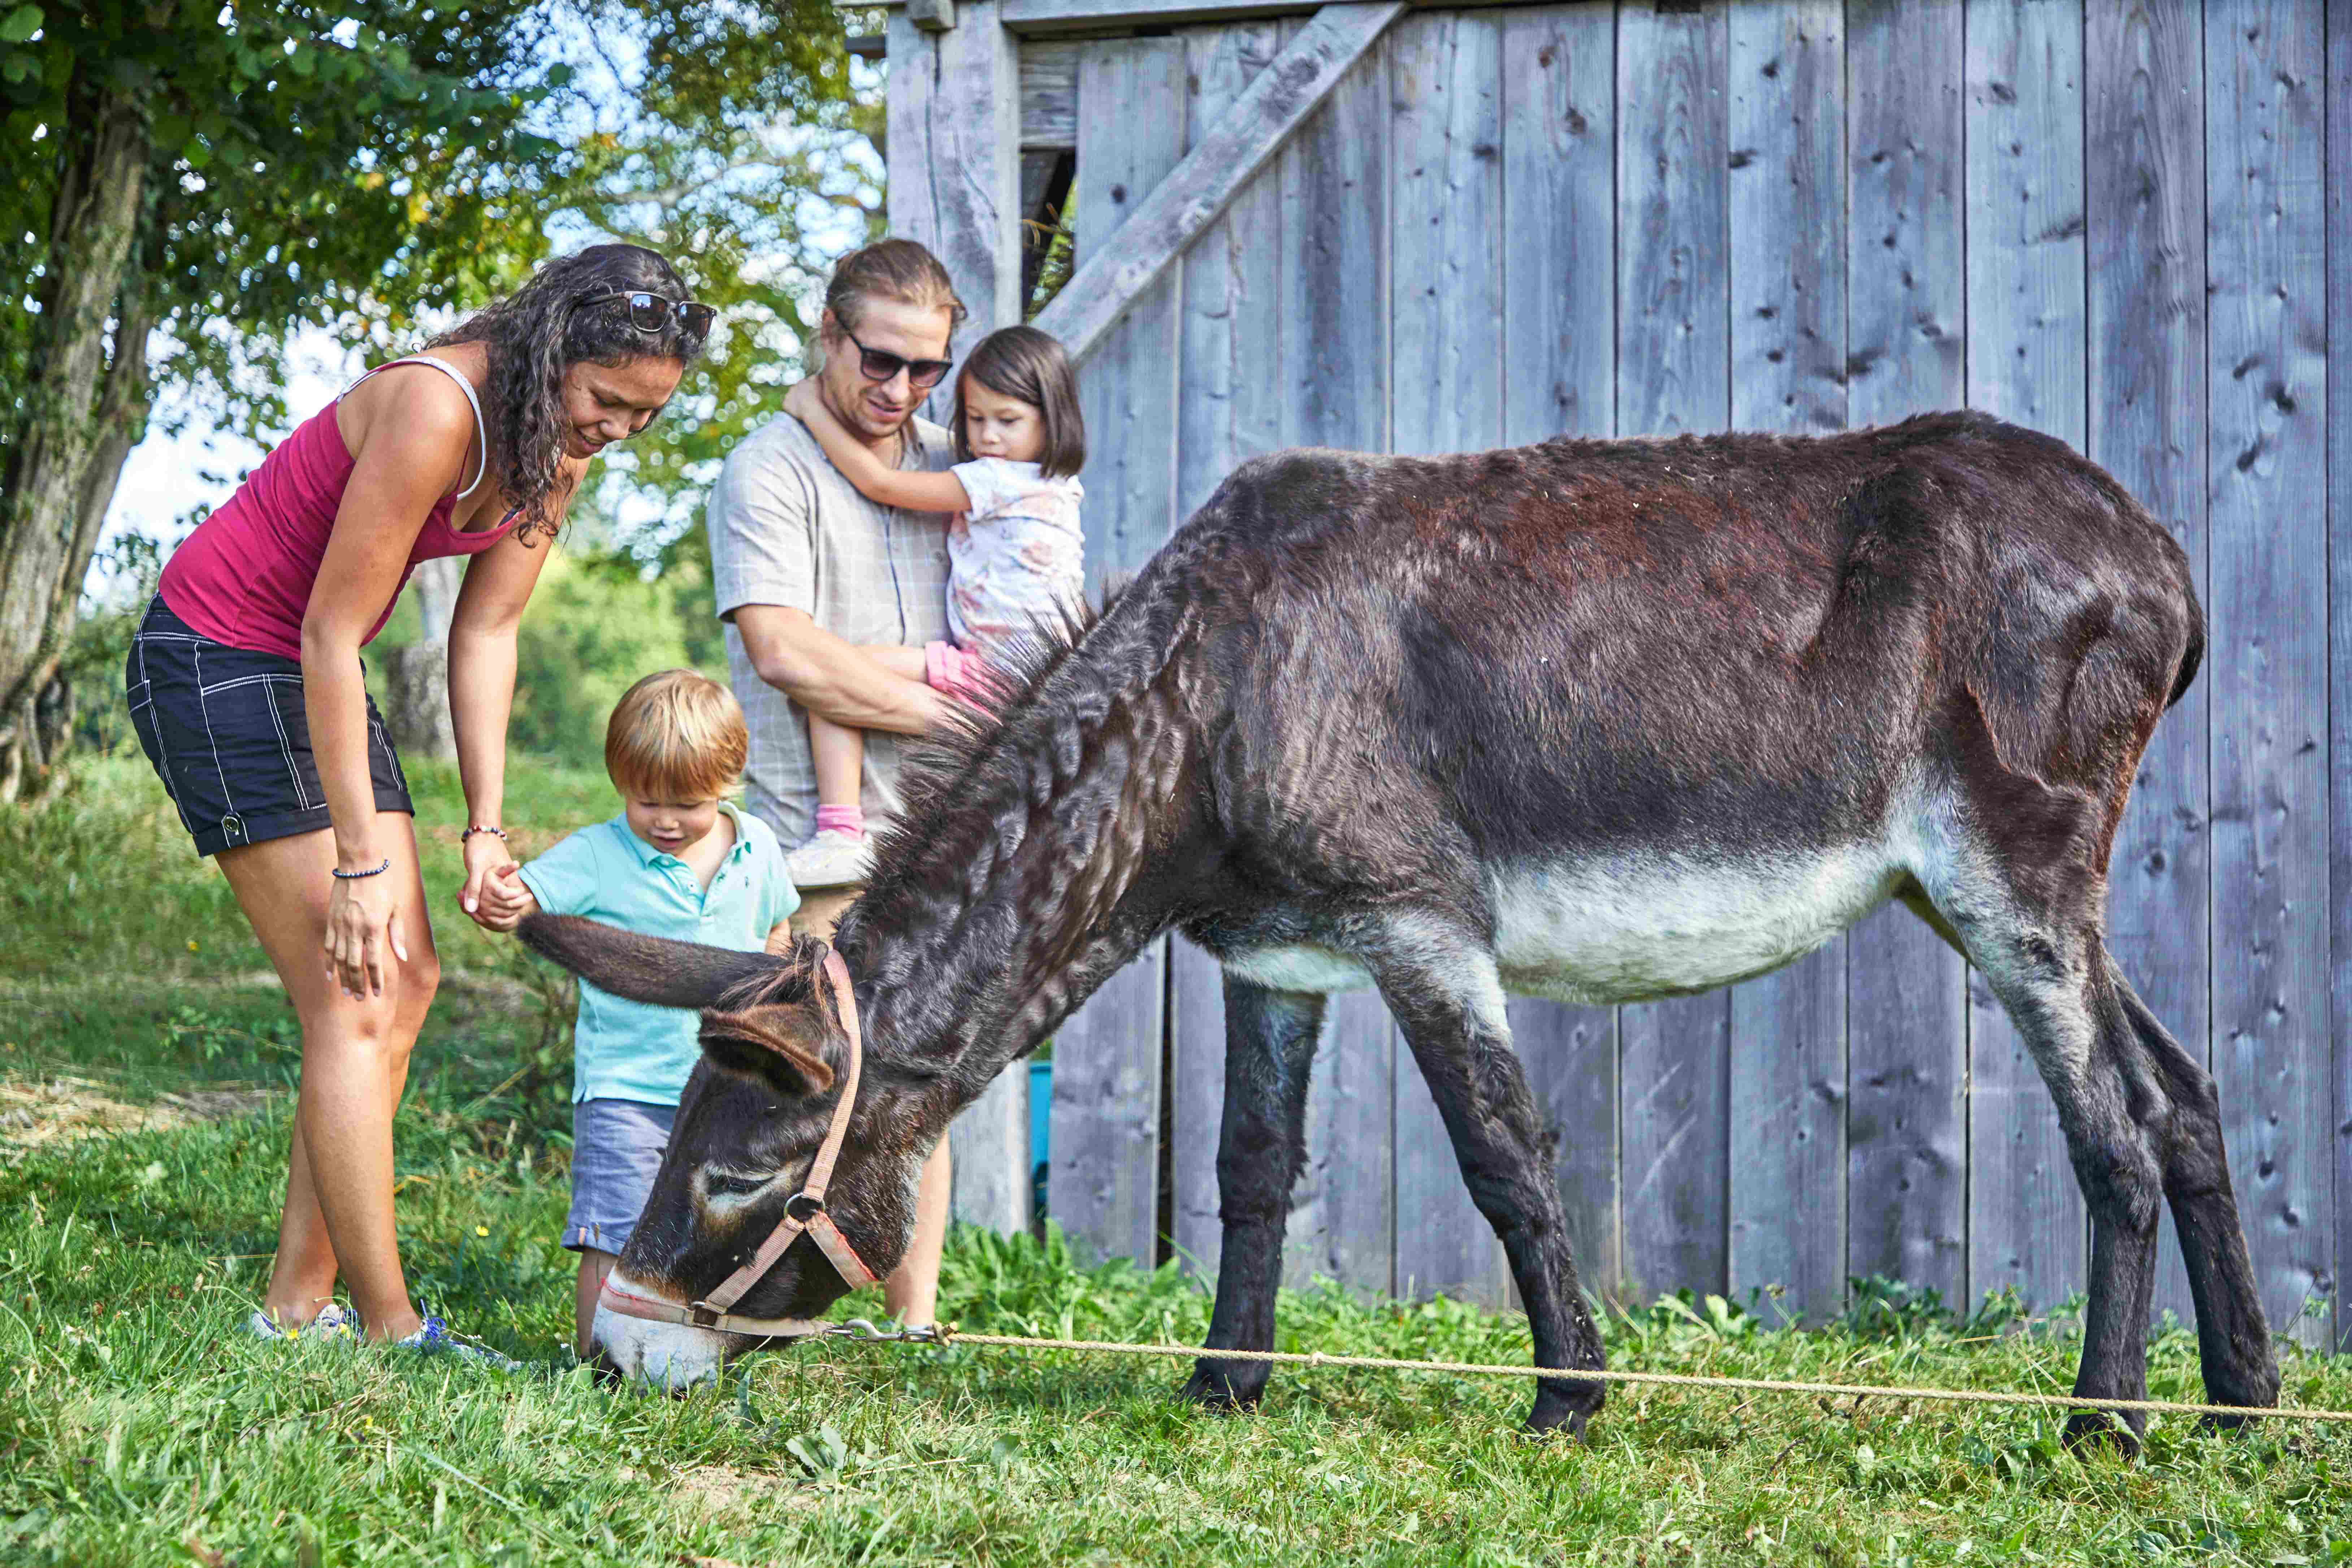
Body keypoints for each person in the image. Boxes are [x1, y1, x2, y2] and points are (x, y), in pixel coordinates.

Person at [124, 244, 712, 1355]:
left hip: (302, 669)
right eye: (608, 401)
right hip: (216, 656)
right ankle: (388, 1326)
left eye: (648, 414)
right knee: (357, 988)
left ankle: (298, 1309)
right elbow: (332, 632)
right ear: (552, 351)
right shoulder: (437, 407)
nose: (620, 430)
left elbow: (487, 629)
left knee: (408, 977)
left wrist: (486, 824)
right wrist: (356, 863)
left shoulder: (554, 452)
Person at [704, 237, 964, 1328]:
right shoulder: (768, 466)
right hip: (810, 834)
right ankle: (730, 1305)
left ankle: (916, 1325)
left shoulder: (966, 463)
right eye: (879, 359)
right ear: (828, 333)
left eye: (926, 369)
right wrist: (966, 715)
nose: (900, 390)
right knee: (786, 1076)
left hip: (946, 824)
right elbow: (785, 651)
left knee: (924, 1084)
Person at [469, 670, 797, 1358]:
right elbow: (529, 903)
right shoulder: (598, 853)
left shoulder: (757, 846)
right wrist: (503, 903)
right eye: (647, 801)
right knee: (612, 1230)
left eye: (690, 803)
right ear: (620, 780)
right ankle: (596, 1363)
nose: (668, 820)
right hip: (625, 1087)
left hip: (719, 1092)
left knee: (706, 1232)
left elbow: (776, 930)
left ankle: (682, 1351)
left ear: (729, 781)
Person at [778, 324, 1086, 886]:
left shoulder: (1000, 480)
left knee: (831, 674)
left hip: (1001, 677)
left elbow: (879, 483)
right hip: (1002, 668)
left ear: (1052, 417)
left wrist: (810, 409)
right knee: (838, 671)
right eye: (974, 418)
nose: (987, 435)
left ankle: (840, 833)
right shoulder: (1056, 486)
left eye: (1007, 421)